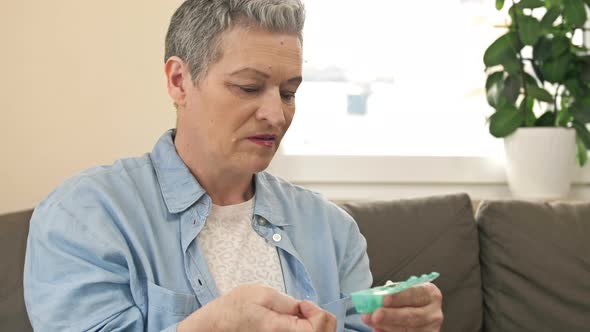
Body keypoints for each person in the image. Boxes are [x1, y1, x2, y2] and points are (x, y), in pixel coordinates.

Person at [23, 1, 443, 331]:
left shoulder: (332, 230)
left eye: (288, 92)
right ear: (178, 81)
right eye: (249, 87)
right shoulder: (85, 217)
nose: (276, 116)